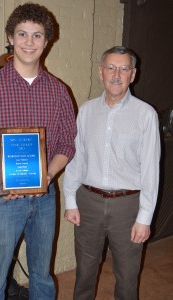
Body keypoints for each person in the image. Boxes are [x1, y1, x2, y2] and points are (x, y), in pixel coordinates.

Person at [0, 2, 77, 300]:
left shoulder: (58, 91)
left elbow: (68, 141)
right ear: (10, 38)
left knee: (42, 276)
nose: (29, 42)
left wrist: (48, 174)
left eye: (37, 35)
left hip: (45, 199)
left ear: (47, 40)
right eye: (22, 34)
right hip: (2, 198)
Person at [63, 45, 161, 300]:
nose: (116, 74)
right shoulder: (85, 111)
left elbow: (151, 169)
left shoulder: (145, 115)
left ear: (133, 74)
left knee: (127, 276)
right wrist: (71, 201)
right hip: (88, 202)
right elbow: (76, 159)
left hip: (128, 206)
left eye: (123, 68)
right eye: (111, 68)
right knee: (84, 272)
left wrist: (145, 217)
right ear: (101, 72)